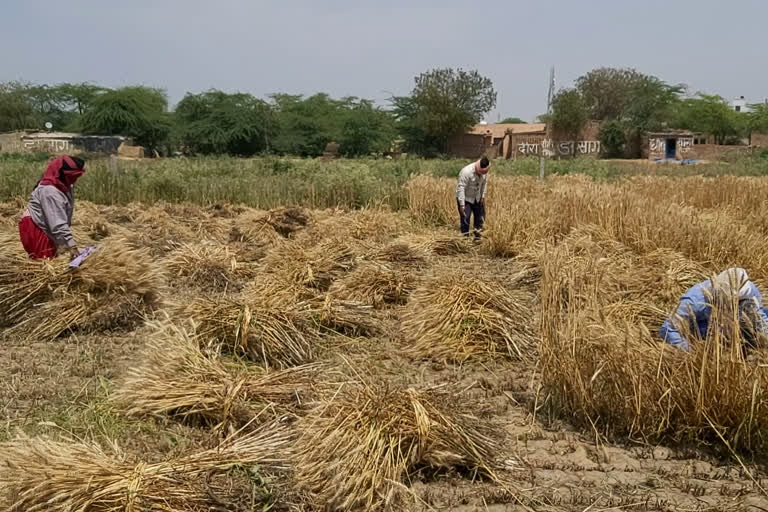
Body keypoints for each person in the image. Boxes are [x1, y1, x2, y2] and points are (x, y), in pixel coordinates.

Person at [659, 268, 768, 351]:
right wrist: (690, 351)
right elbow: (668, 328)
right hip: (705, 328)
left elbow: (759, 319)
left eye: (739, 301)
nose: (736, 304)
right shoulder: (695, 300)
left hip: (735, 325)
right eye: (734, 301)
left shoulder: (748, 289)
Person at [19, 155, 86, 260]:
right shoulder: (50, 191)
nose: (74, 181)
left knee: (52, 258)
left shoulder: (66, 186)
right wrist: (72, 246)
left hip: (46, 226)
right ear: (61, 174)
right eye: (72, 177)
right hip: (35, 227)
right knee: (45, 264)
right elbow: (57, 223)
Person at [456, 156, 490, 239]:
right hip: (466, 198)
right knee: (465, 219)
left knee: (480, 219)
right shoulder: (466, 172)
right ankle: (465, 239)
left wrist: (482, 196)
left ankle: (478, 239)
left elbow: (484, 184)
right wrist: (462, 205)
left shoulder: (486, 169)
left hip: (477, 198)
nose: (482, 175)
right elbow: (461, 188)